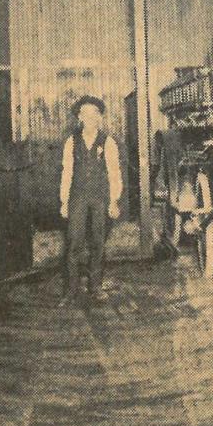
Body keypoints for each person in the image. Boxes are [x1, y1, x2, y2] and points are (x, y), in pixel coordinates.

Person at [59, 95, 122, 304]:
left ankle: (95, 286)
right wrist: (64, 202)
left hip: (100, 197)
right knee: (74, 242)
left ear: (99, 117)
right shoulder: (71, 141)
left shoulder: (108, 141)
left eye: (94, 113)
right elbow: (67, 172)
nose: (90, 118)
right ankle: (72, 289)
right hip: (77, 196)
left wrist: (114, 200)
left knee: (98, 242)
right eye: (85, 114)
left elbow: (114, 172)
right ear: (79, 117)